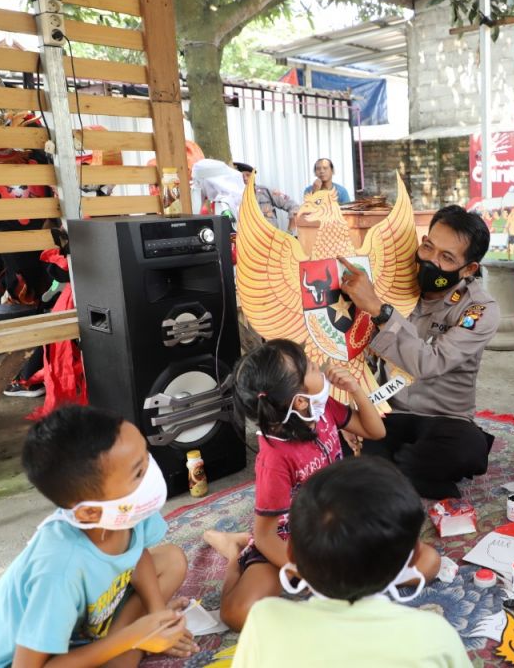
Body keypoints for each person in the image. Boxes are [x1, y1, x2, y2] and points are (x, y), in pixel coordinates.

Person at [203, 340, 437, 631]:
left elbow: (375, 431)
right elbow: (266, 536)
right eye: (311, 367)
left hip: (340, 524)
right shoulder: (273, 458)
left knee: (428, 562)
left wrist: (355, 390)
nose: (320, 366)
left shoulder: (322, 408)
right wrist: (315, 575)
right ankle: (234, 550)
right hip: (291, 540)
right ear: (300, 401)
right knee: (238, 614)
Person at [0, 406, 197, 668]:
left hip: (79, 636)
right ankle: (124, 649)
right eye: (138, 472)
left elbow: (137, 553)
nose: (151, 475)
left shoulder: (124, 508)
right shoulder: (58, 569)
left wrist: (158, 615)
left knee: (171, 560)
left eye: (146, 456)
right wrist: (133, 637)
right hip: (24, 662)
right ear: (89, 512)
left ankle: (125, 646)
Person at [231, 455, 470, 667]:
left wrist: (234, 561)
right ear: (413, 557)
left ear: (291, 554)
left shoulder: (262, 621)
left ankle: (233, 553)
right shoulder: (435, 635)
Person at [337, 205, 498, 499]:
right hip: (389, 411)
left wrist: (381, 311)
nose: (430, 261)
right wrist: (352, 411)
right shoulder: (395, 285)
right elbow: (356, 354)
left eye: (447, 258)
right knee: (334, 436)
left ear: (469, 269)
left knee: (467, 449)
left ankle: (386, 475)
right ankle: (405, 476)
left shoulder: (479, 309)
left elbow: (429, 362)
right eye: (428, 247)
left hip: (446, 419)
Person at [233, 161, 300, 232]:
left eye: (248, 175)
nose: (245, 179)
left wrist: (290, 232)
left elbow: (294, 206)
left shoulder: (265, 191)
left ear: (253, 177)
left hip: (271, 236)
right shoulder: (232, 197)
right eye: (241, 176)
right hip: (248, 236)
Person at [192, 159, 245, 230]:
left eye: (198, 182)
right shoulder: (233, 198)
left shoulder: (222, 203)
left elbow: (224, 231)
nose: (197, 186)